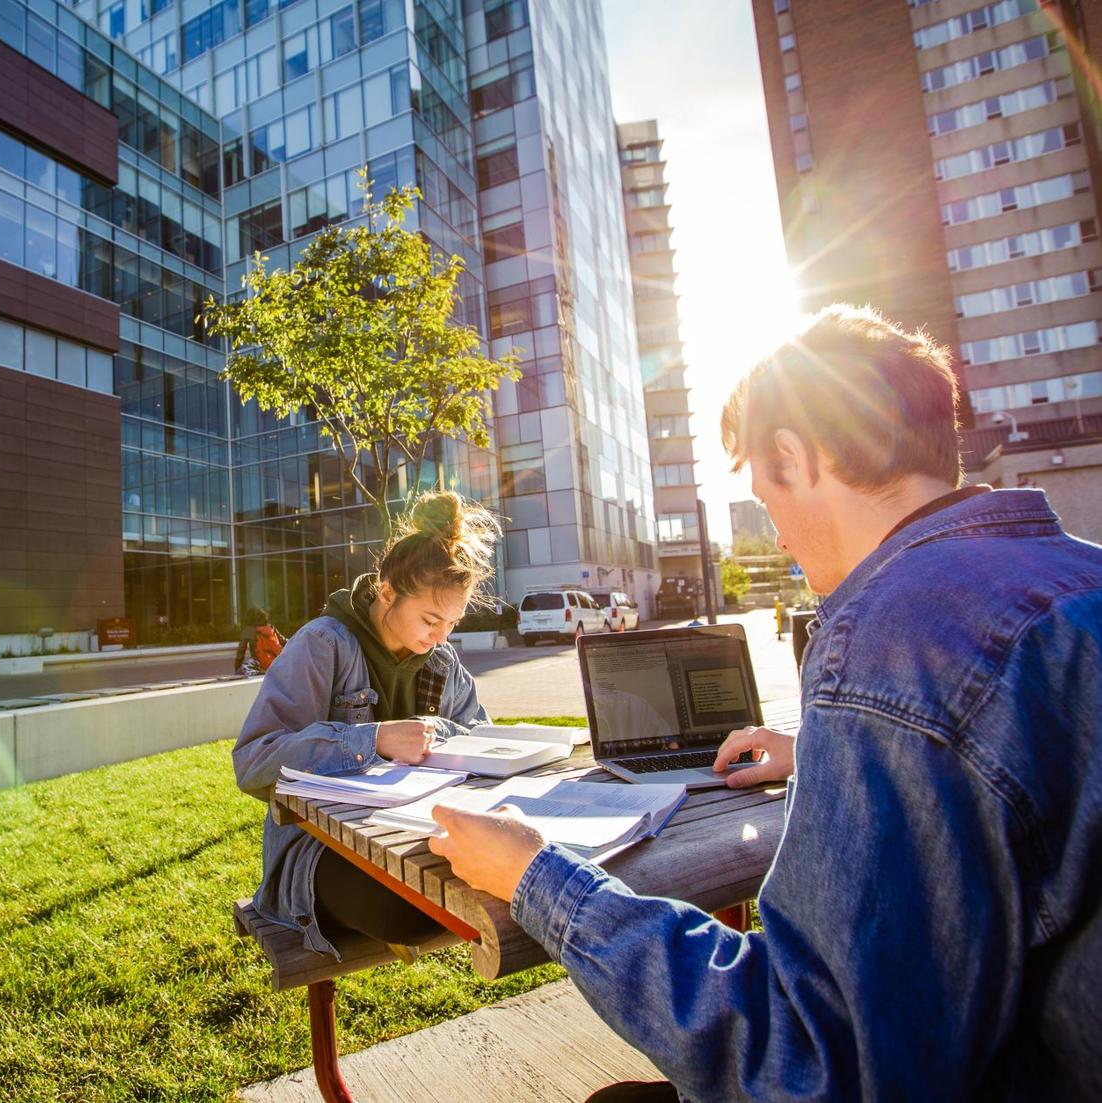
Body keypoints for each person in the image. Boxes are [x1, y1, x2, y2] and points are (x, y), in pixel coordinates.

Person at [428, 305, 1102, 1101]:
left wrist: (538, 875)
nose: (776, 532)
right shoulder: (1079, 581)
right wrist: (826, 747)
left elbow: (810, 1064)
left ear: (794, 453)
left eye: (762, 488)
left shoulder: (888, 638)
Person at [234, 491, 499, 956]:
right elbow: (254, 762)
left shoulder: (442, 661)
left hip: (415, 834)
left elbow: (484, 741)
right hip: (322, 848)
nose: (440, 638)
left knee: (504, 875)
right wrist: (372, 739)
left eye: (452, 624)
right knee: (413, 913)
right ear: (387, 592)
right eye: (431, 620)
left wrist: (444, 738)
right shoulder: (322, 645)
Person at [234, 607, 284, 676]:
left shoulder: (248, 630)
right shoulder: (271, 627)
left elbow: (241, 652)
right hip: (275, 661)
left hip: (258, 662)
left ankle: (256, 673)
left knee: (243, 668)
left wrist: (237, 668)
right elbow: (284, 641)